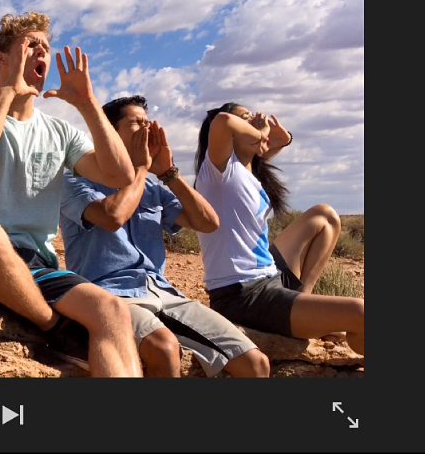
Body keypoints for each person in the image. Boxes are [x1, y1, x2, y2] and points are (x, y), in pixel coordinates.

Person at [0, 11, 143, 377]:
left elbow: (121, 174)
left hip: (36, 266)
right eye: (31, 45)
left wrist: (86, 102)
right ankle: (53, 328)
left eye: (46, 46)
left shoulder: (59, 131)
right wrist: (7, 91)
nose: (43, 52)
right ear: (2, 58)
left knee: (112, 312)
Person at [60, 96, 271, 377]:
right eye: (136, 123)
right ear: (108, 132)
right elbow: (112, 217)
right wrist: (140, 168)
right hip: (110, 295)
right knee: (164, 348)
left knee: (255, 363)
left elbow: (208, 222)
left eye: (148, 123)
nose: (146, 130)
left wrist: (169, 173)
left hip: (163, 292)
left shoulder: (151, 188)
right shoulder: (74, 181)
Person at [194, 102, 364, 354]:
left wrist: (280, 142)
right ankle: (302, 315)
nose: (253, 121)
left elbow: (256, 154)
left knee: (324, 216)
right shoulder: (216, 170)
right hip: (242, 296)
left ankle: (304, 300)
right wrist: (261, 134)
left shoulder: (245, 172)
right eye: (246, 118)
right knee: (361, 312)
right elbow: (221, 121)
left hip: (269, 278)